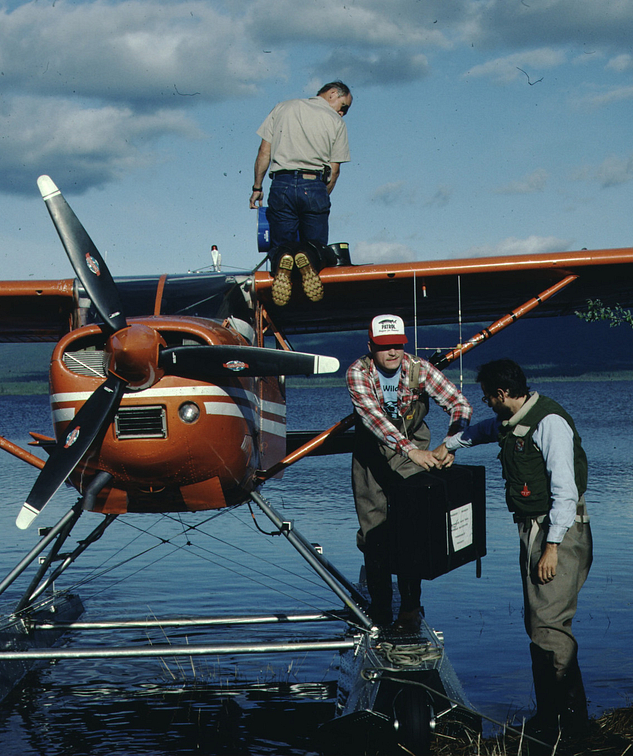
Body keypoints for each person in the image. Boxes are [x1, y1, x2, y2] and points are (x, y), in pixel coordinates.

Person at [435, 358, 592, 740]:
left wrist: (552, 546)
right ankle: (553, 717)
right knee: (539, 623)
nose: (488, 403)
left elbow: (565, 492)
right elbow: (487, 430)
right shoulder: (516, 419)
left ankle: (568, 725)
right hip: (535, 530)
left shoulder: (549, 422)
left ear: (502, 393)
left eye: (489, 397)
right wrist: (449, 444)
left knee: (549, 627)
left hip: (558, 531)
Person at [346, 314, 471, 631]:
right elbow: (374, 419)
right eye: (385, 347)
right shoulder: (358, 373)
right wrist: (411, 450)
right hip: (371, 455)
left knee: (411, 529)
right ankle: (380, 609)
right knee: (374, 534)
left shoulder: (418, 369)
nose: (393, 353)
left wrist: (451, 443)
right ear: (371, 345)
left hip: (415, 452)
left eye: (398, 346)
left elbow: (459, 404)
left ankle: (411, 607)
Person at [249, 81, 352, 306]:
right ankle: (308, 255)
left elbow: (264, 151)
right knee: (317, 247)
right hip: (314, 184)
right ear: (333, 93)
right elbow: (334, 169)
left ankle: (284, 259)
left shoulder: (282, 107)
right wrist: (323, 194)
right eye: (344, 106)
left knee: (281, 246)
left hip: (281, 184)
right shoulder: (336, 122)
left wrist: (257, 187)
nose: (343, 113)